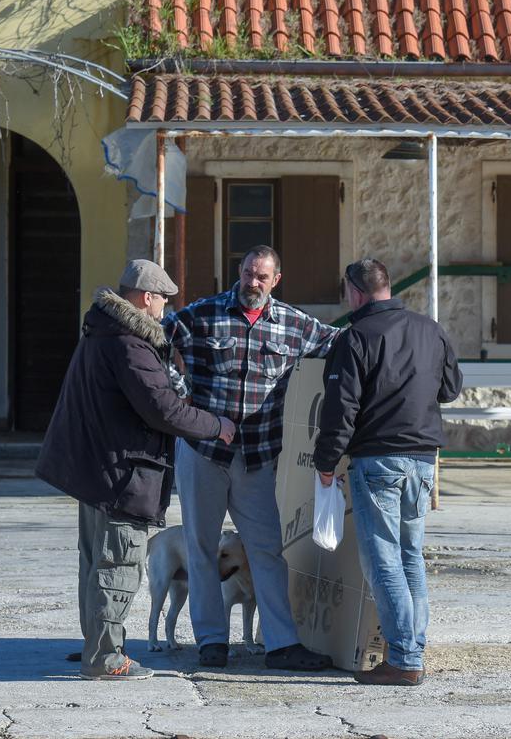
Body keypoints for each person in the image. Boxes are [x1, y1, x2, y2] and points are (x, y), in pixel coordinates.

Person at [36, 260, 235, 681]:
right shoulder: (129, 344)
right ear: (147, 298)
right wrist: (217, 426)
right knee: (118, 566)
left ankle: (98, 647)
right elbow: (162, 408)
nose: (165, 307)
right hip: (121, 473)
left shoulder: (100, 332)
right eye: (163, 299)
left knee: (95, 564)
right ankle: (106, 659)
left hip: (95, 470)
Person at [164, 245, 340, 671]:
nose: (252, 283)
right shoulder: (202, 314)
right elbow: (155, 344)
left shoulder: (295, 325)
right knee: (201, 546)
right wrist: (182, 398)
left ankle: (280, 645)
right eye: (247, 274)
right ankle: (211, 642)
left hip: (257, 458)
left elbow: (341, 344)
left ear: (276, 280)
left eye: (261, 277)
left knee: (267, 550)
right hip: (203, 452)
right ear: (238, 273)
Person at [313, 259, 463, 686]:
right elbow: (451, 389)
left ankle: (404, 658)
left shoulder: (355, 337)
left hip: (379, 460)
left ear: (355, 292)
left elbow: (339, 411)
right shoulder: (429, 329)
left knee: (383, 562)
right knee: (410, 556)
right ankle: (412, 649)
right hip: (423, 458)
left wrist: (326, 463)